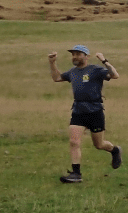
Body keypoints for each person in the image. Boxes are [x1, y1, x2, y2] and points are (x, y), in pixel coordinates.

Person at [48, 44, 121, 183]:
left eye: (78, 54)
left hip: (95, 111)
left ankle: (114, 150)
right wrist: (52, 63)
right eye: (73, 54)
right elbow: (57, 78)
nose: (74, 57)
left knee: (99, 145)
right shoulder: (72, 72)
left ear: (86, 56)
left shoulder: (95, 69)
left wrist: (104, 61)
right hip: (78, 110)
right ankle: (76, 174)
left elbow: (115, 75)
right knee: (74, 141)